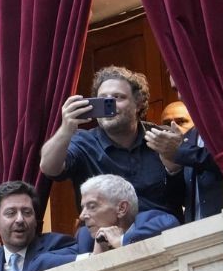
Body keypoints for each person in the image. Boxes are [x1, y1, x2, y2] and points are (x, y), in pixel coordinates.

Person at [40, 66, 184, 220]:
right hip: (105, 238)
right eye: (103, 99)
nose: (109, 103)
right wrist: (66, 128)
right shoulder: (83, 142)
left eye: (118, 97)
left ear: (139, 103)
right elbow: (49, 168)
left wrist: (174, 163)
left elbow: (188, 194)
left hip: (162, 233)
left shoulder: (161, 138)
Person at [60, 174, 179, 256]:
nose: (82, 216)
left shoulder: (147, 220)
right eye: (83, 208)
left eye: (92, 206)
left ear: (121, 208)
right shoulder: (86, 238)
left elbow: (170, 223)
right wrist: (93, 258)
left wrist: (121, 241)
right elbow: (43, 261)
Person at [152, 101, 223, 222]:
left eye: (181, 121)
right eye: (167, 123)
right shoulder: (167, 151)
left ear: (194, 119)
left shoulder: (217, 133)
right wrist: (173, 171)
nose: (174, 127)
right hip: (194, 229)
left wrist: (183, 150)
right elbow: (176, 202)